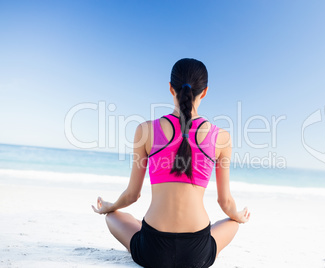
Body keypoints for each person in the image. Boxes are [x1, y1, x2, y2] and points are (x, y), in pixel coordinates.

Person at [92, 58, 250, 268]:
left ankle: (130, 220)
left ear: (170, 88)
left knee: (113, 216)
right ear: (204, 92)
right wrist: (238, 216)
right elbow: (226, 204)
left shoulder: (145, 130)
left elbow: (132, 195)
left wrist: (110, 207)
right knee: (233, 222)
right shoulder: (221, 137)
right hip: (197, 253)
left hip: (152, 249)